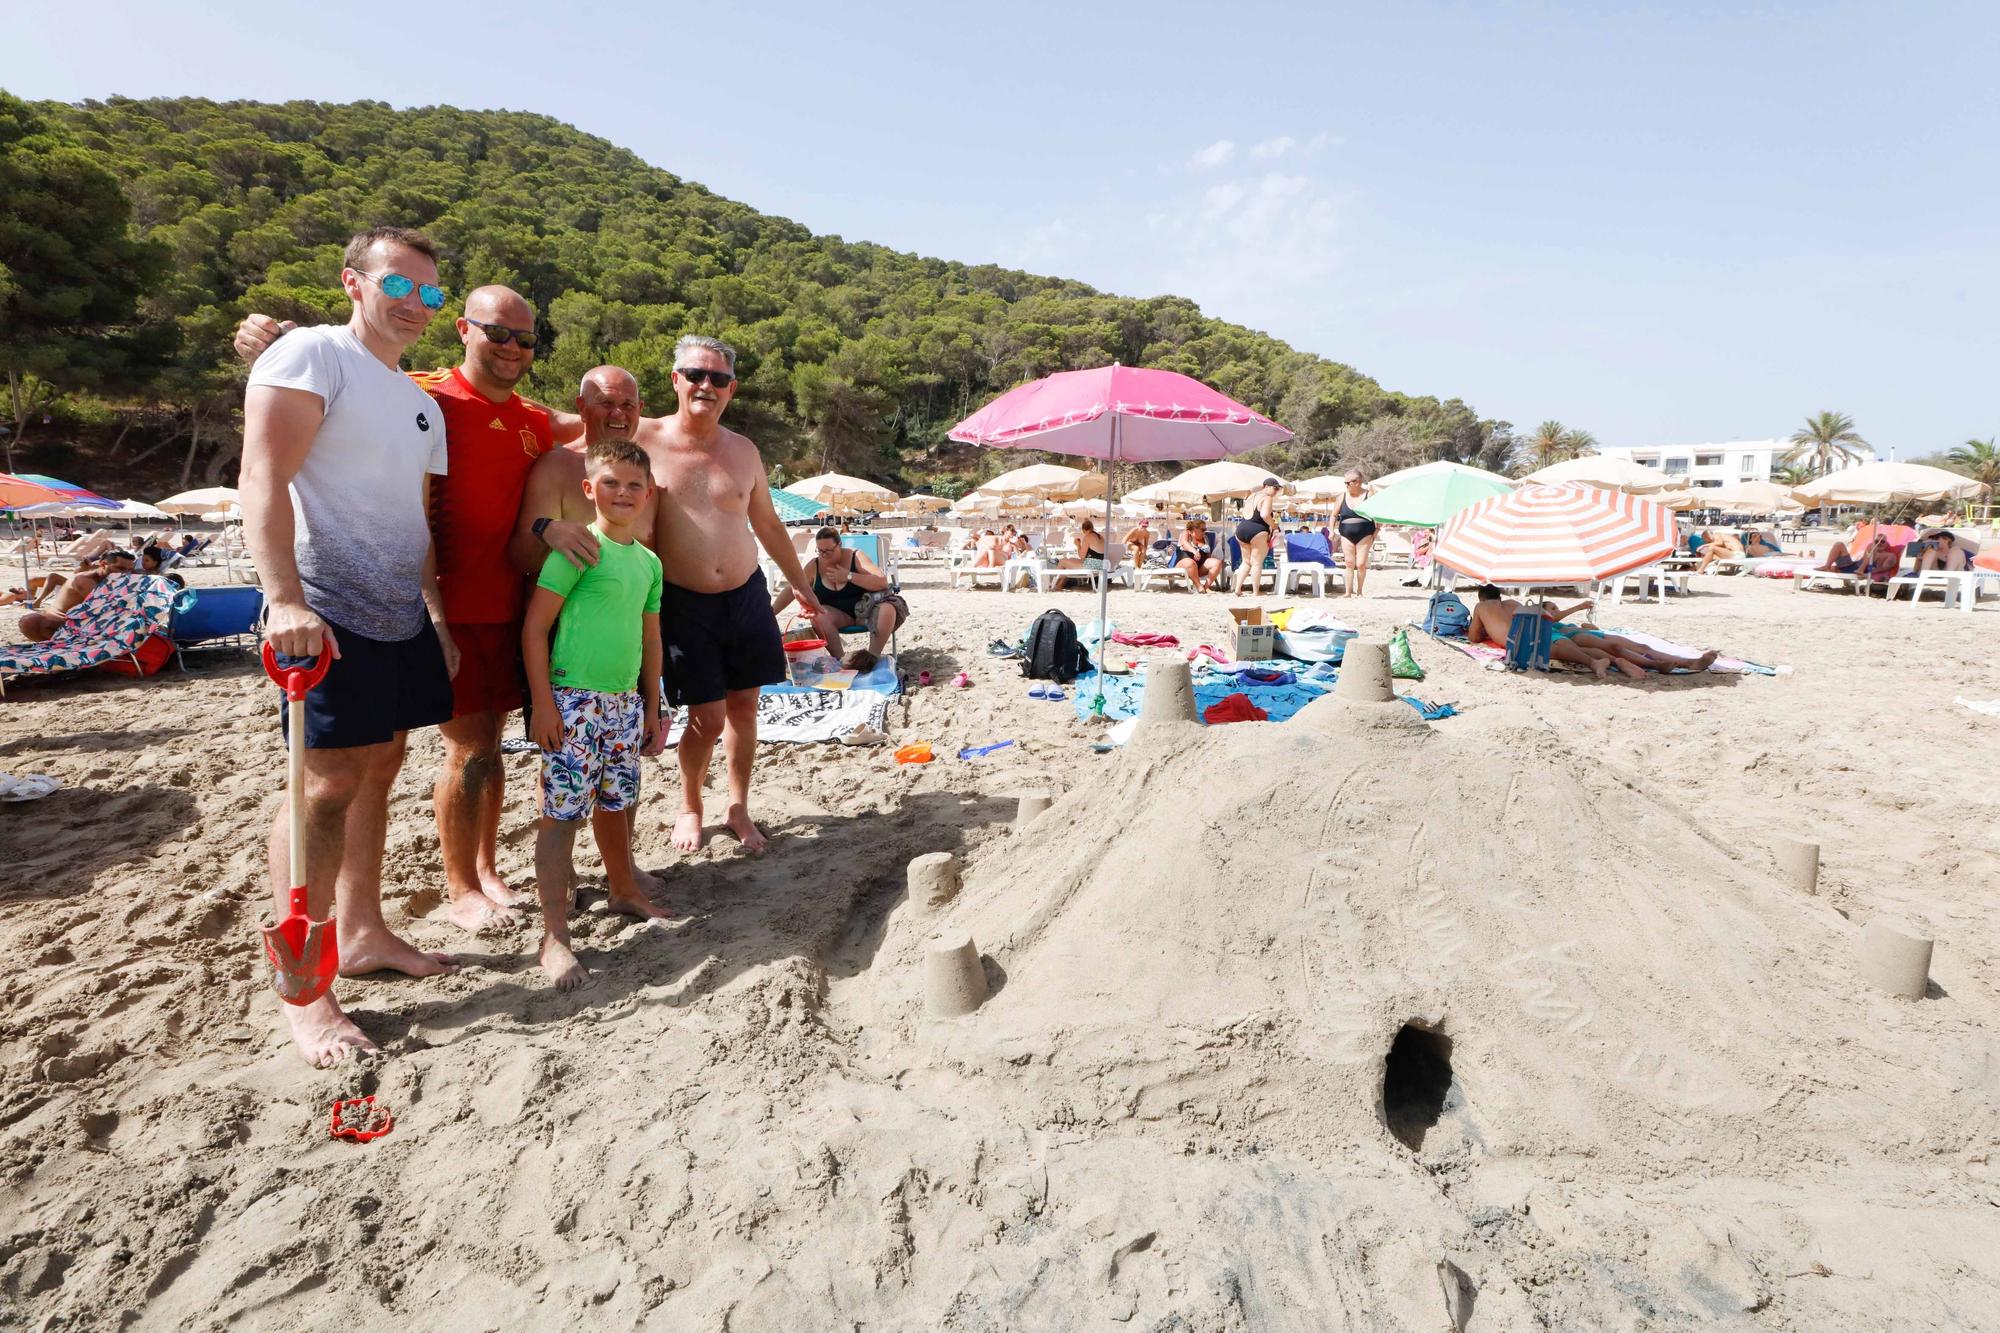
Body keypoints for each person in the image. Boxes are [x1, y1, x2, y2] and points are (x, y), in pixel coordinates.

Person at [238, 284, 558, 935]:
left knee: (482, 749)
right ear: (464, 328)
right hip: (417, 600)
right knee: (446, 754)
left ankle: (483, 870)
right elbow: (342, 375)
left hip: (498, 605)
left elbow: (606, 421)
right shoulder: (426, 391)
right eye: (498, 333)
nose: (512, 348)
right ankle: (459, 884)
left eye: (526, 339)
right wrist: (273, 342)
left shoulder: (532, 419)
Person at [240, 224, 457, 1068]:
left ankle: (363, 932)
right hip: (324, 609)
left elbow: (414, 517)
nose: (416, 303)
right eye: (399, 284)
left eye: (430, 293)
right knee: (322, 785)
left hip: (400, 613)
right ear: (352, 282)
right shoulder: (310, 357)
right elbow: (264, 476)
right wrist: (283, 598)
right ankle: (309, 991)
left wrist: (434, 615)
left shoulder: (419, 401)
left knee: (381, 769)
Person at [537, 337, 818, 853]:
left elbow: (770, 526)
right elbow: (583, 440)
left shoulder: (743, 450)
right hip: (682, 599)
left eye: (718, 379)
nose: (705, 386)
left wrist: (806, 592)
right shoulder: (642, 437)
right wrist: (543, 525)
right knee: (707, 717)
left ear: (732, 389)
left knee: (745, 709)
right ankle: (690, 804)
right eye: (695, 374)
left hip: (746, 592)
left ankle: (737, 806)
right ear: (675, 380)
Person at [523, 438, 670, 989]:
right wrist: (543, 704)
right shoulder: (577, 551)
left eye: (635, 485)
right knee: (562, 818)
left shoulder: (649, 562)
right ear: (589, 490)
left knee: (617, 804)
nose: (624, 493)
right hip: (573, 702)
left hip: (625, 705)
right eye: (611, 483)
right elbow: (536, 628)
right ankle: (555, 937)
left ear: (649, 492)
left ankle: (623, 889)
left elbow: (650, 639)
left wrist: (651, 707)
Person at [1469, 587, 1715, 679]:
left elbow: (1473, 638)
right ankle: (1681, 661)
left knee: (1605, 650)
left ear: (1482, 597)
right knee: (1616, 644)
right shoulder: (1512, 603)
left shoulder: (1482, 606)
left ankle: (1617, 663)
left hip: (1552, 637)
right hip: (1563, 631)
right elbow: (1548, 619)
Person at [772, 525, 908, 670]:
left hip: (866, 613)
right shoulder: (815, 565)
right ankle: (841, 662)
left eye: (829, 551)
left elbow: (881, 582)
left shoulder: (856, 557)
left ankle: (871, 658)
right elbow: (793, 588)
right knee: (818, 615)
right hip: (838, 616)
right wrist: (771, 612)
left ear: (839, 545)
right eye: (820, 551)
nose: (824, 555)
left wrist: (849, 576)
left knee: (887, 608)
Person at [10, 550, 136, 639]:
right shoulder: (85, 581)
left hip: (82, 623)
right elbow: (104, 608)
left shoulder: (112, 579)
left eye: (129, 570)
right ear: (103, 564)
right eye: (121, 569)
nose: (126, 574)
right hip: (58, 626)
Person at [1233, 477, 1283, 595]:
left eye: (1277, 489)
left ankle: (1237, 589)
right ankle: (1256, 592)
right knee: (1256, 562)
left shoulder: (1250, 496)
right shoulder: (1267, 498)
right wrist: (1274, 525)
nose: (1276, 491)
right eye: (1274, 488)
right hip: (1257, 530)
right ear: (1266, 486)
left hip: (1241, 528)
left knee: (1246, 562)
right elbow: (1265, 515)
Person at [1334, 471, 1377, 597]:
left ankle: (1359, 591)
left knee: (1361, 563)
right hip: (1346, 531)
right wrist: (1331, 529)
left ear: (1358, 483)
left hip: (1365, 532)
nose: (1346, 485)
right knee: (1349, 563)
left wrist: (1377, 529)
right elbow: (1333, 515)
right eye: (1345, 482)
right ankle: (1348, 592)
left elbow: (1377, 513)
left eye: (1348, 482)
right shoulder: (1341, 496)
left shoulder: (1370, 495)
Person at [1176, 519, 1223, 591]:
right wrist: (1194, 551)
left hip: (1199, 568)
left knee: (1217, 563)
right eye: (1203, 529)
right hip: (1183, 566)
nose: (1205, 532)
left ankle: (1206, 587)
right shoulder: (1186, 534)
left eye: (1205, 529)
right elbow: (1184, 543)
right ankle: (1199, 587)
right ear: (1194, 530)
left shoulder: (1205, 538)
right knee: (1190, 562)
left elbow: (1208, 555)